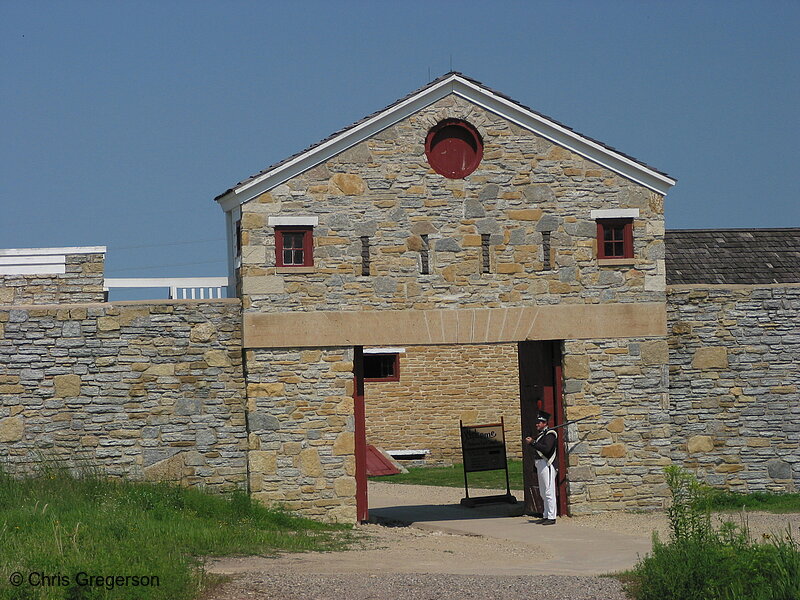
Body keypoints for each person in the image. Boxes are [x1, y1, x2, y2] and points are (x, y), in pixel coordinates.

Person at [525, 410, 557, 525]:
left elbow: (546, 449)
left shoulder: (550, 434)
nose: (537, 424)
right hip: (540, 464)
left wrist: (533, 443)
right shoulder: (541, 435)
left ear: (545, 423)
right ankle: (546, 514)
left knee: (549, 491)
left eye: (539, 422)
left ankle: (552, 517)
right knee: (543, 492)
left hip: (547, 464)